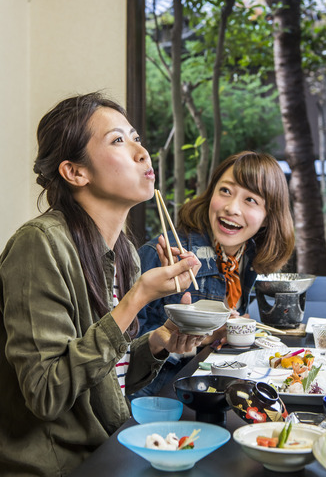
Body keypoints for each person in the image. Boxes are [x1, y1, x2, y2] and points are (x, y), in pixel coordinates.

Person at [0, 92, 204, 477]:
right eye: (118, 141)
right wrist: (137, 296)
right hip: (59, 465)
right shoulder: (39, 244)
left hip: (110, 447)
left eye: (136, 138)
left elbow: (110, 371)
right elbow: (45, 393)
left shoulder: (123, 250)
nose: (142, 153)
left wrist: (161, 340)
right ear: (76, 172)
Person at [134, 150, 295, 395]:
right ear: (211, 194)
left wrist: (223, 330)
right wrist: (195, 339)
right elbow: (124, 355)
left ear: (267, 218)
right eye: (225, 191)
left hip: (216, 386)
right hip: (159, 398)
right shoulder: (165, 253)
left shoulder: (247, 256)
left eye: (250, 200)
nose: (232, 208)